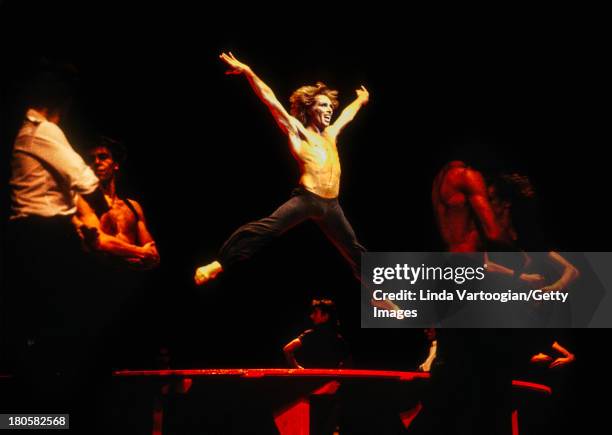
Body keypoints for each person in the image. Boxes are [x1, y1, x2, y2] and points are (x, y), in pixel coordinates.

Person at [194, 52, 369, 289]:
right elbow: (270, 100)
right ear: (309, 108)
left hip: (332, 205)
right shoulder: (298, 131)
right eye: (323, 105)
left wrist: (361, 100)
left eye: (330, 106)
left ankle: (377, 293)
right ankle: (219, 263)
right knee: (267, 228)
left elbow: (347, 115)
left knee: (354, 248)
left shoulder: (330, 134)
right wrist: (248, 72)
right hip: (308, 198)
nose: (329, 110)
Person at [283, 299, 350, 369]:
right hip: (330, 379)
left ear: (325, 316)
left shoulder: (310, 335)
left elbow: (287, 349)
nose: (311, 316)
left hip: (312, 379)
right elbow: (348, 363)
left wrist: (298, 369)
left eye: (315, 313)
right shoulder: (338, 339)